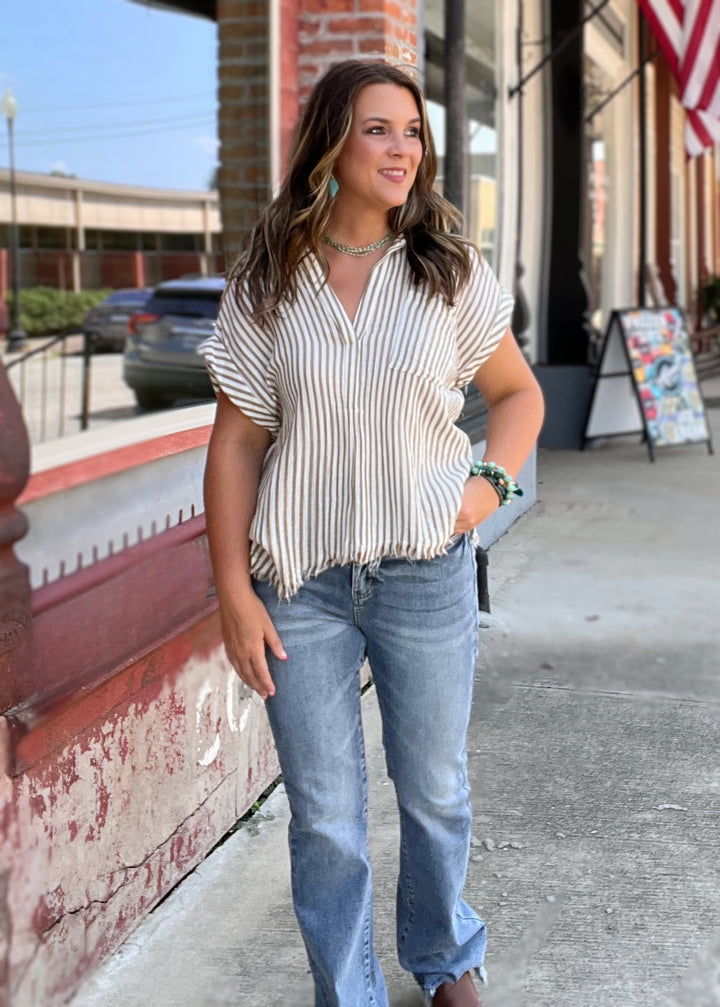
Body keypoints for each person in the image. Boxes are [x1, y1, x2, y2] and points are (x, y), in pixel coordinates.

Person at [200, 59, 544, 1007]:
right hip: (298, 583)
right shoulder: (270, 278)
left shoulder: (447, 269)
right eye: (378, 129)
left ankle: (446, 959)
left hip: (426, 572)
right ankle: (346, 991)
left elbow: (519, 395)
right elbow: (235, 444)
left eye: (413, 131)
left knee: (434, 788)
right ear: (331, 143)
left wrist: (484, 492)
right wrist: (232, 591)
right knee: (326, 820)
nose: (403, 149)